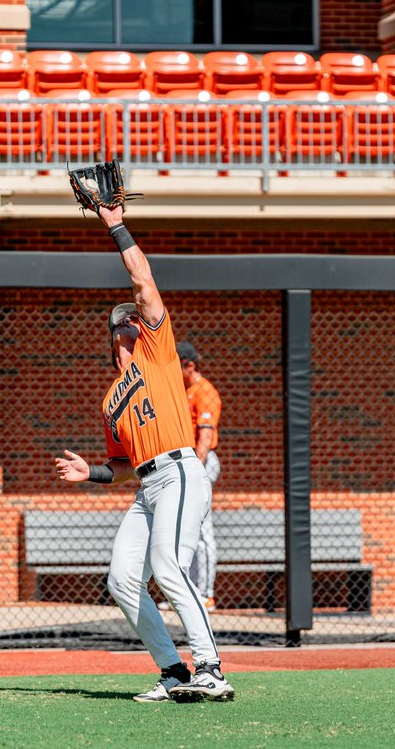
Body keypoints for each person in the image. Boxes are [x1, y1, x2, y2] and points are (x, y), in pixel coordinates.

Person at [54, 204, 235, 704]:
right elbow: (119, 467)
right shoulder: (111, 398)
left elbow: (143, 280)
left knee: (169, 567)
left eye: (135, 318)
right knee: (121, 578)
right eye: (125, 323)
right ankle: (174, 671)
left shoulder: (159, 351)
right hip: (148, 485)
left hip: (180, 470)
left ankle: (212, 668)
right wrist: (88, 471)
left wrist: (115, 225)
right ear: (117, 338)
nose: (134, 321)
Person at [159, 341, 221, 613]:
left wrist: (195, 468)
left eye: (178, 367)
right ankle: (190, 592)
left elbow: (205, 435)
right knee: (188, 531)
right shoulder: (185, 391)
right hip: (186, 463)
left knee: (202, 530)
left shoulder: (205, 390)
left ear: (190, 365)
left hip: (200, 463)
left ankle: (206, 593)